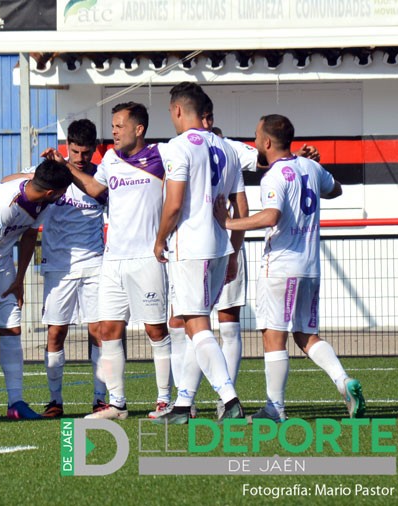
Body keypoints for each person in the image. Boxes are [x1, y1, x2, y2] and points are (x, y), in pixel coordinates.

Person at [214, 114, 366, 421]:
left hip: (282, 267)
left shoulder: (274, 175)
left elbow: (271, 216)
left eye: (256, 137)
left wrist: (228, 222)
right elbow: (335, 189)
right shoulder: (310, 166)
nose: (254, 142)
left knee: (274, 336)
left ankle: (275, 408)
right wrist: (316, 167)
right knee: (306, 335)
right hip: (310, 267)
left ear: (267, 142)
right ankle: (343, 381)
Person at [50, 102, 172, 421]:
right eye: (113, 125)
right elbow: (95, 189)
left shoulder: (163, 156)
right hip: (113, 261)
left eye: (119, 125)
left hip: (148, 259)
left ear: (139, 129)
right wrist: (66, 168)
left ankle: (165, 401)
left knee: (155, 330)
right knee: (108, 330)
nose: (114, 131)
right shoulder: (110, 159)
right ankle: (116, 404)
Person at [4, 119, 108, 418]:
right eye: (75, 151)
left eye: (86, 152)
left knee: (99, 331)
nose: (80, 157)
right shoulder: (54, 175)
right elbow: (8, 182)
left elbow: (105, 196)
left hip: (94, 264)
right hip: (58, 267)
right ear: (67, 146)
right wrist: (38, 173)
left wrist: (69, 167)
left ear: (94, 150)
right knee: (55, 334)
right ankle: (55, 400)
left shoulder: (99, 178)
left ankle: (100, 398)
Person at [154, 83, 244, 424]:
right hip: (220, 245)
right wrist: (234, 252)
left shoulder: (178, 147)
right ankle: (182, 404)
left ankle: (229, 397)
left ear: (178, 110)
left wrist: (160, 238)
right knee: (194, 326)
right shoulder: (228, 148)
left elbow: (174, 203)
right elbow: (238, 204)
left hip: (191, 247)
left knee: (195, 324)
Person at [0, 159, 73, 421]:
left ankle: (16, 403)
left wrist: (19, 280)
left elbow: (29, 236)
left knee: (12, 328)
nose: (64, 196)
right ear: (53, 192)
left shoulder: (43, 196)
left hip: (5, 261)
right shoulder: (5, 203)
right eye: (63, 192)